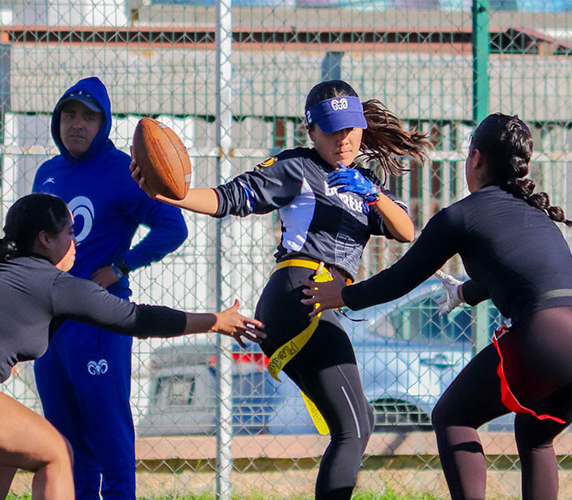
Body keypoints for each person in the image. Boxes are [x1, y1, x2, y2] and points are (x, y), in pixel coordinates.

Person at [130, 79, 431, 500]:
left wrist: (374, 195)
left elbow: (406, 231)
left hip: (319, 300)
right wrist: (167, 194)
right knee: (354, 428)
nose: (343, 139)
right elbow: (228, 198)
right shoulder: (298, 168)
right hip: (300, 295)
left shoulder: (363, 182)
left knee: (359, 420)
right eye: (330, 129)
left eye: (350, 128)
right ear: (310, 131)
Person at [302, 113, 572, 500]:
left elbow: (402, 277)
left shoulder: (460, 216)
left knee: (452, 416)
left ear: (476, 159)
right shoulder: (536, 216)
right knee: (535, 436)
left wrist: (343, 296)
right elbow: (522, 274)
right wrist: (465, 294)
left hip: (552, 334)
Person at [0, 193, 263, 499]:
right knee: (56, 453)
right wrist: (215, 321)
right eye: (69, 231)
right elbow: (138, 319)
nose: (75, 241)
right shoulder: (55, 284)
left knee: (6, 452)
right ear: (45, 239)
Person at [32, 76, 188, 499]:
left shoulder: (125, 170)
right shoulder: (48, 173)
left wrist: (121, 265)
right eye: (69, 114)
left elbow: (173, 227)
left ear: (104, 124)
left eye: (88, 116)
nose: (77, 124)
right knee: (62, 441)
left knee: (108, 432)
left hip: (99, 323)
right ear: (57, 120)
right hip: (50, 327)